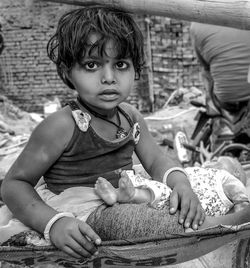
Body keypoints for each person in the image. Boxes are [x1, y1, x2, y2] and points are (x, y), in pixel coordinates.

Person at [0, 6, 204, 258]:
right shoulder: (62, 125)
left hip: (123, 197)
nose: (108, 78)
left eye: (120, 64)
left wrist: (181, 183)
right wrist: (53, 223)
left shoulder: (130, 116)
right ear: (67, 72)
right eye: (91, 65)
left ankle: (218, 220)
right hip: (83, 212)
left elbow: (155, 160)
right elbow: (14, 185)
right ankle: (224, 227)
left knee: (201, 185)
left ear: (136, 70)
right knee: (147, 223)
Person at [95, 156, 249, 217]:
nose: (212, 159)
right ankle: (119, 192)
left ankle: (128, 194)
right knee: (151, 181)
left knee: (163, 193)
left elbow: (241, 198)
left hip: (182, 202)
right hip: (176, 187)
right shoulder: (202, 170)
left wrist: (239, 217)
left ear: (235, 171)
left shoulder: (224, 177)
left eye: (218, 159)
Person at [190, 23, 250, 147]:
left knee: (206, 72)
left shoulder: (198, 23)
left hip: (225, 100)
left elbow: (205, 68)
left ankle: (217, 119)